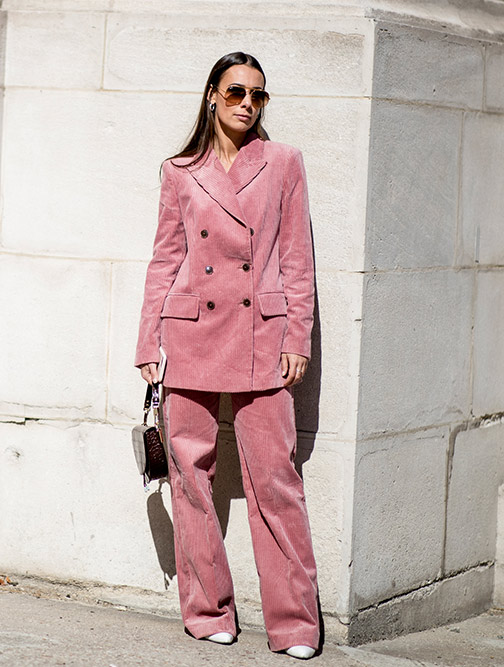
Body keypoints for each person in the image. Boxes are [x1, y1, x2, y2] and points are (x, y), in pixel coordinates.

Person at [134, 52, 320, 660]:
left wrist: (298, 338)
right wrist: (147, 342)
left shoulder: (284, 162)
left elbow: (297, 261)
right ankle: (208, 610)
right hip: (189, 335)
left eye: (259, 95)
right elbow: (165, 260)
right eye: (237, 91)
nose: (247, 103)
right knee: (191, 480)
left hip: (261, 339)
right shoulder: (179, 170)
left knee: (276, 482)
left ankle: (295, 626)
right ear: (212, 94)